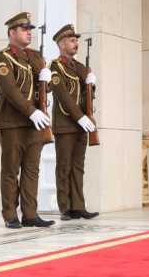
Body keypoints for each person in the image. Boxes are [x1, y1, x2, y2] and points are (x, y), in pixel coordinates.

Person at [0, 12, 55, 228]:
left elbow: (43, 87)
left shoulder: (35, 56)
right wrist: (31, 111)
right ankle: (10, 214)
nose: (29, 33)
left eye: (30, 29)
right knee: (11, 169)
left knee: (32, 169)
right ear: (12, 33)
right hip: (12, 121)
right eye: (24, 29)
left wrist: (48, 78)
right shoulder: (4, 57)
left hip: (35, 123)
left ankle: (30, 213)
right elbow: (10, 90)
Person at [48, 24, 99, 221]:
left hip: (81, 125)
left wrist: (91, 85)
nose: (76, 43)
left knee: (78, 166)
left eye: (76, 40)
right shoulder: (55, 67)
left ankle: (78, 205)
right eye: (71, 40)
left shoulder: (80, 67)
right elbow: (63, 96)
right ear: (61, 44)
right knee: (64, 166)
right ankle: (65, 208)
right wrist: (80, 117)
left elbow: (87, 96)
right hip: (65, 124)